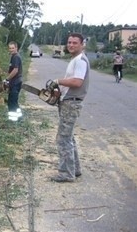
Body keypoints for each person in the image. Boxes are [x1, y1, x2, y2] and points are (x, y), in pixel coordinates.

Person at [51, 33, 90, 182]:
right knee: (69, 137)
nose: (71, 45)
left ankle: (67, 173)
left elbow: (77, 82)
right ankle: (75, 169)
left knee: (63, 139)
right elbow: (72, 82)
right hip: (69, 100)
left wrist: (57, 81)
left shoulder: (80, 61)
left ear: (82, 44)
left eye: (75, 43)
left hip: (72, 102)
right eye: (69, 42)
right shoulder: (75, 60)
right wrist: (59, 90)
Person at [5, 41, 23, 121]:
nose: (11, 50)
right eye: (10, 48)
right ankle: (19, 118)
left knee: (12, 102)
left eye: (13, 48)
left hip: (16, 83)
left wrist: (7, 79)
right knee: (13, 102)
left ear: (16, 48)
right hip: (15, 82)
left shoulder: (16, 57)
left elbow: (15, 70)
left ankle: (14, 120)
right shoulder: (14, 56)